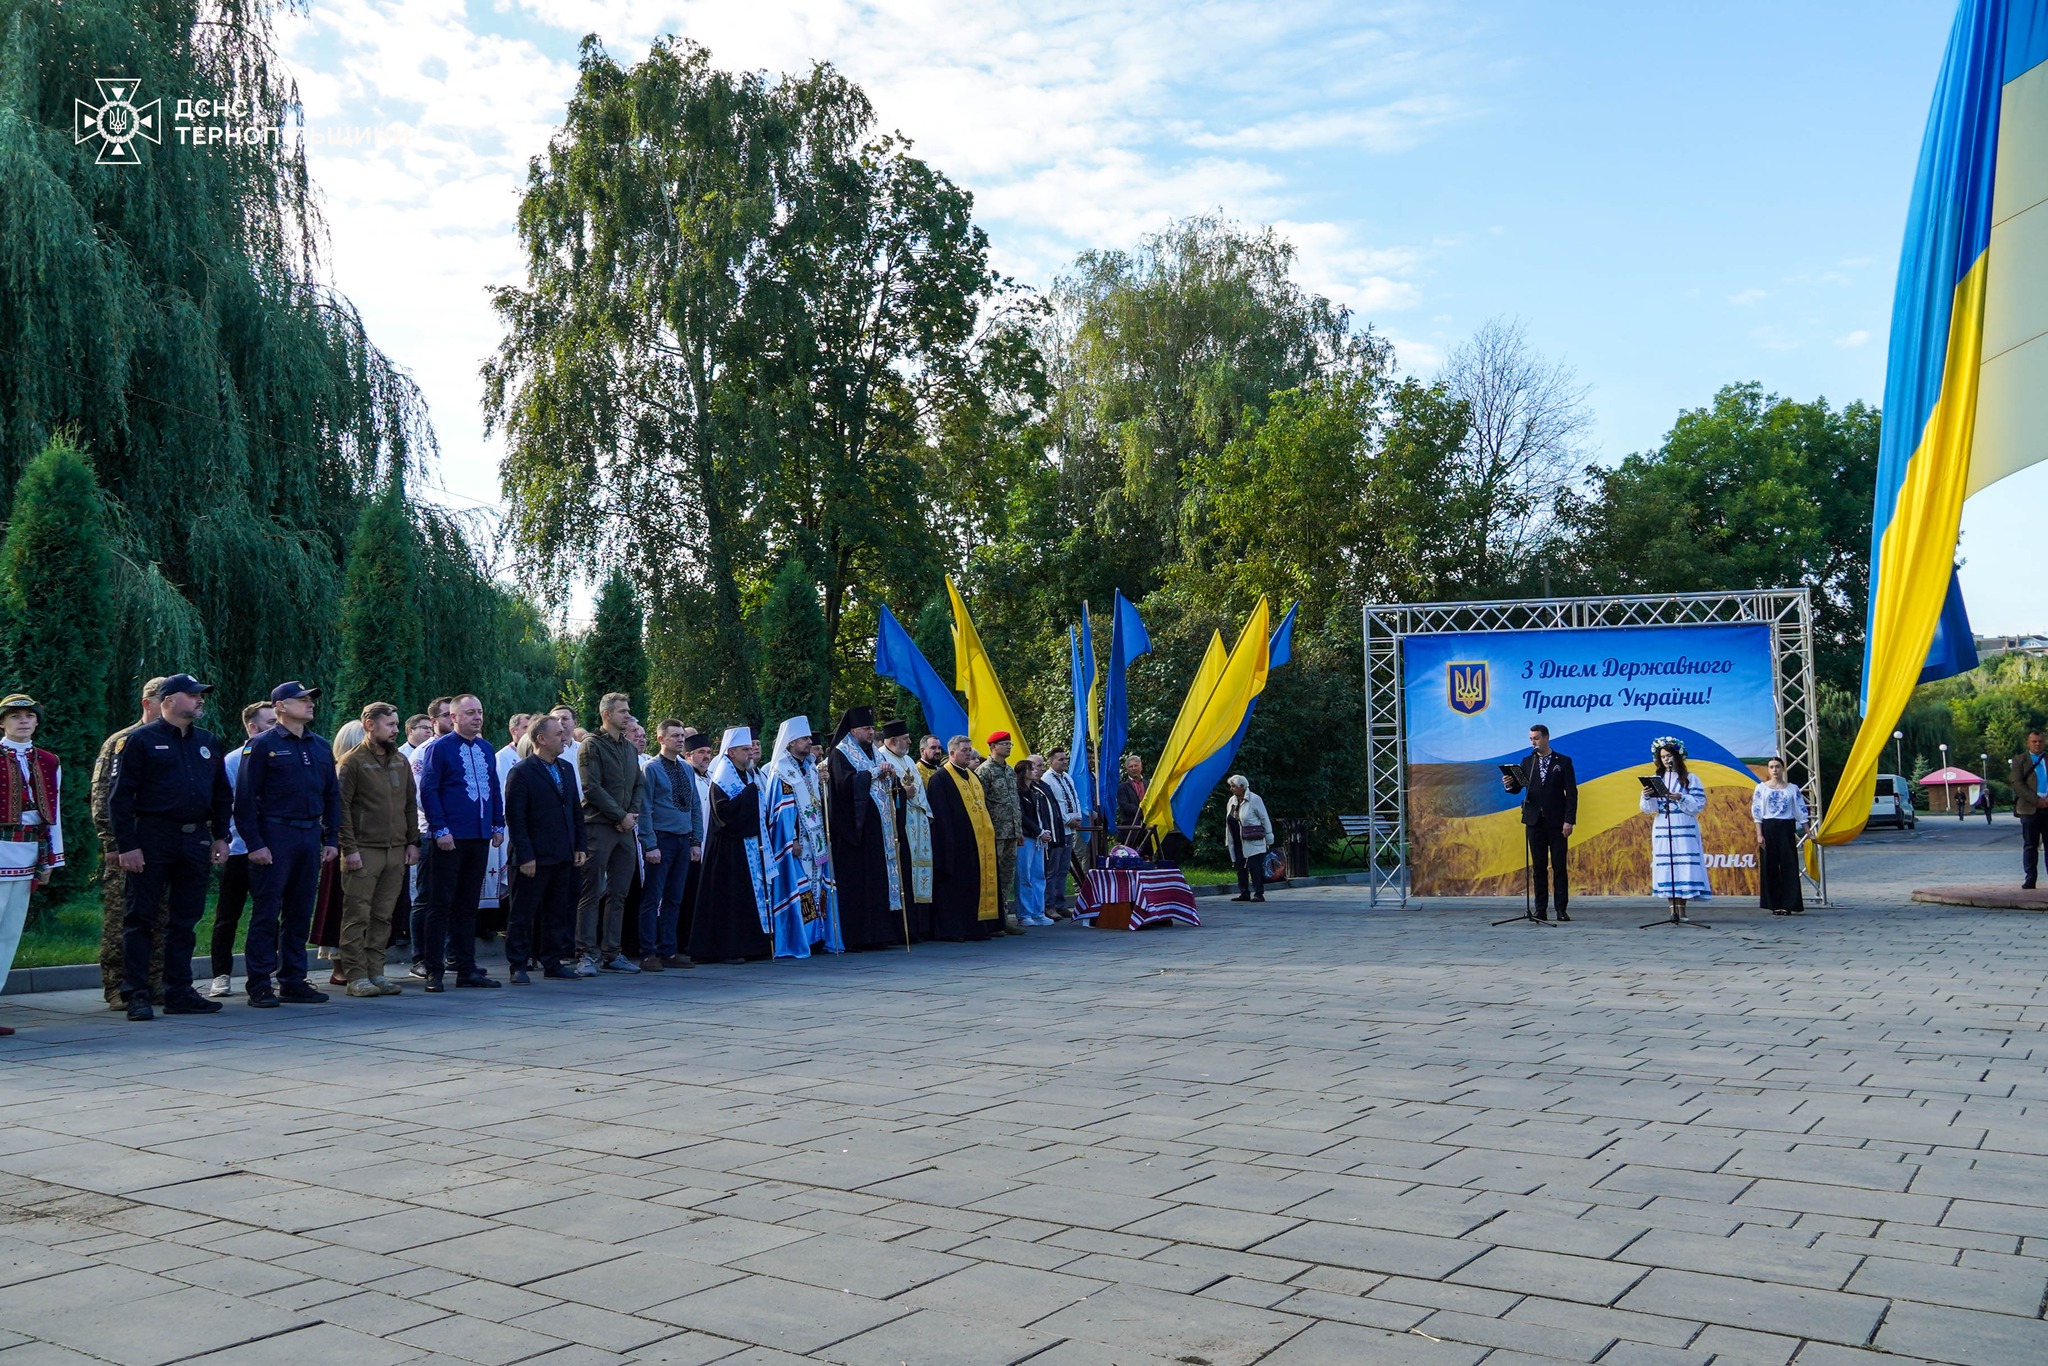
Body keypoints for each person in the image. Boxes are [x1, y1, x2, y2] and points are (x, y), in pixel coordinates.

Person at [107, 674, 233, 1021]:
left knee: (185, 918)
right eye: (192, 695)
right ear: (168, 701)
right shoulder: (139, 741)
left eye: (200, 695)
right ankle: (137, 993)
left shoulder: (207, 741)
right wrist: (127, 846)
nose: (199, 700)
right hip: (152, 836)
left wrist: (221, 835)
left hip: (194, 838)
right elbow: (119, 798)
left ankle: (178, 990)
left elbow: (222, 793)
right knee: (140, 917)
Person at [234, 681, 341, 1007]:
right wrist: (255, 843)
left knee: (299, 911)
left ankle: (293, 979)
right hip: (275, 835)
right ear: (280, 706)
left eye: (311, 699)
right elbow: (245, 799)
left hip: (308, 836)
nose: (310, 704)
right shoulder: (262, 745)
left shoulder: (319, 746)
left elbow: (332, 795)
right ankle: (259, 983)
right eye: (302, 699)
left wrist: (331, 837)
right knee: (267, 912)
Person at [414, 693, 506, 991]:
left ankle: (466, 968)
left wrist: (497, 822)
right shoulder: (439, 748)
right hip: (449, 838)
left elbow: (493, 786)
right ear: (453, 717)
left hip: (478, 835)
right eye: (469, 712)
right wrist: (440, 829)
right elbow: (429, 789)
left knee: (468, 905)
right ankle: (434, 969)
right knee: (440, 904)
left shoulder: (485, 748)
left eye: (479, 711)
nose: (477, 717)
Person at [92, 676, 167, 1009]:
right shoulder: (123, 741)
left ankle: (154, 982)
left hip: (163, 845)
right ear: (148, 703)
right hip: (128, 843)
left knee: (162, 915)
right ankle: (116, 985)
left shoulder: (177, 739)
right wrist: (112, 843)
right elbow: (103, 796)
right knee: (122, 915)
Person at [335, 703, 418, 996]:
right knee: (357, 913)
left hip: (395, 849)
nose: (396, 730)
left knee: (383, 915)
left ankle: (376, 971)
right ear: (370, 725)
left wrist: (412, 842)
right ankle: (355, 975)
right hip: (364, 849)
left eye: (397, 724)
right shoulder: (352, 761)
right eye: (390, 725)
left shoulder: (400, 761)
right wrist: (349, 848)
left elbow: (410, 803)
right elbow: (341, 808)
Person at [504, 713, 587, 981]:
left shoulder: (565, 768)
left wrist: (579, 846)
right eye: (558, 734)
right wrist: (525, 855)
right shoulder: (522, 772)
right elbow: (515, 818)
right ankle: (518, 964)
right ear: (541, 739)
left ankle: (552, 961)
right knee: (523, 912)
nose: (564, 738)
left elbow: (574, 809)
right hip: (533, 857)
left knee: (556, 910)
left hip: (562, 853)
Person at [0, 694, 66, 1027]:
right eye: (15, 716)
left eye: (29, 716)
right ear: (3, 722)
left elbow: (53, 814)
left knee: (9, 933)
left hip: (28, 853)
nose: (23, 721)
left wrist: (52, 859)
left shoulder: (48, 761)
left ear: (37, 721)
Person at [688, 727, 774, 963]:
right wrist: (749, 795)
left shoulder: (748, 774)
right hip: (727, 850)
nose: (750, 753)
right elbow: (725, 815)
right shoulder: (722, 778)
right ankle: (728, 948)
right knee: (730, 898)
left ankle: (753, 945)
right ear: (731, 752)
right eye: (745, 749)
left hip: (748, 846)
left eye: (750, 749)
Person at [208, 700, 274, 997]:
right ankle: (221, 973)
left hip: (272, 848)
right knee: (227, 914)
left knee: (269, 913)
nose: (277, 726)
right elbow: (227, 803)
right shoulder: (234, 760)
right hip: (239, 848)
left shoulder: (281, 755)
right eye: (271, 722)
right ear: (252, 726)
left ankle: (264, 971)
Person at [763, 716, 844, 958]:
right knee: (800, 890)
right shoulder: (782, 772)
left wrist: (823, 787)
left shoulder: (809, 767)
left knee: (817, 886)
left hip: (816, 841)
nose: (810, 742)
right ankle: (801, 939)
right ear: (790, 743)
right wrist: (792, 840)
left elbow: (815, 805)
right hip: (796, 844)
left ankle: (818, 936)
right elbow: (782, 813)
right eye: (805, 739)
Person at [825, 705, 905, 950]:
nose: (871, 732)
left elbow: (888, 786)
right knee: (860, 883)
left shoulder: (874, 753)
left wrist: (892, 776)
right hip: (854, 833)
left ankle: (881, 933)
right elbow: (844, 786)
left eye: (872, 728)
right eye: (866, 728)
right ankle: (860, 936)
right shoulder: (840, 753)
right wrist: (873, 773)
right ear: (852, 730)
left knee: (878, 880)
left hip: (878, 831)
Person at [575, 692, 643, 975]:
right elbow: (592, 788)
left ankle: (612, 952)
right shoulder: (591, 746)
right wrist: (620, 816)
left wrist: (631, 815)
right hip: (599, 827)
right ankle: (586, 953)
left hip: (624, 830)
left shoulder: (628, 748)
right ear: (607, 714)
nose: (627, 715)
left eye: (628, 711)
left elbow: (639, 783)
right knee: (591, 892)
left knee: (619, 893)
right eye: (622, 711)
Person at [636, 719, 698, 970]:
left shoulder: (687, 769)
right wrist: (650, 844)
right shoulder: (651, 769)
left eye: (682, 735)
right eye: (674, 736)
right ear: (661, 739)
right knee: (653, 897)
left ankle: (669, 951)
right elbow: (645, 808)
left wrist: (696, 840)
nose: (680, 740)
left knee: (675, 897)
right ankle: (648, 952)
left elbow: (695, 807)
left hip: (683, 839)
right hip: (661, 839)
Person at [1501, 723, 1579, 922]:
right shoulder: (1528, 762)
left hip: (1556, 821)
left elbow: (1571, 793)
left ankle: (1561, 909)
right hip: (1534, 821)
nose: (1533, 742)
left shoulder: (1563, 761)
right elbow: (1519, 787)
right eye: (1530, 739)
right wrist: (1510, 785)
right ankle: (1540, 909)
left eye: (1536, 738)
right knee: (1539, 867)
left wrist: (1569, 820)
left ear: (1546, 738)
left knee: (1559, 866)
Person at [927, 735, 999, 942]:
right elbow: (940, 817)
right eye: (965, 750)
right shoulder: (940, 779)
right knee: (955, 887)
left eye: (970, 750)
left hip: (978, 843)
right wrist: (948, 844)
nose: (969, 753)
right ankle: (953, 929)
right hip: (955, 844)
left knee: (974, 884)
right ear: (951, 753)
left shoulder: (973, 777)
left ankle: (975, 927)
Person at [1641, 737, 1711, 921]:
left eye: (1669, 755)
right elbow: (1648, 809)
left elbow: (1698, 805)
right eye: (1662, 756)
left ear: (1677, 756)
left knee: (1683, 866)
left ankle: (1683, 912)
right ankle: (1672, 912)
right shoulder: (1657, 779)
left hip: (1684, 826)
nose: (1666, 759)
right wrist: (1647, 797)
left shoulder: (1690, 778)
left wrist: (1681, 797)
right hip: (1664, 826)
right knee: (1668, 867)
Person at [879, 720, 934, 940]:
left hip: (918, 821)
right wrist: (902, 792)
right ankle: (904, 928)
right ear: (892, 741)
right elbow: (884, 792)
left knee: (920, 871)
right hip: (898, 825)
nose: (910, 741)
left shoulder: (909, 759)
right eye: (905, 738)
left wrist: (927, 814)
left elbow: (918, 788)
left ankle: (921, 925)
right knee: (904, 872)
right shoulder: (881, 758)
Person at [975, 732, 1025, 935]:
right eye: (1004, 744)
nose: (1009, 747)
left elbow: (1014, 802)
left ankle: (1003, 918)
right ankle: (991, 920)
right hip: (994, 831)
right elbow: (981, 802)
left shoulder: (1010, 771)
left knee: (1006, 877)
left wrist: (1018, 830)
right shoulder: (984, 771)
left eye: (1009, 744)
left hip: (1011, 831)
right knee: (991, 876)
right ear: (993, 746)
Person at [1752, 757, 1811, 916]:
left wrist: (1808, 831)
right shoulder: (1761, 788)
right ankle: (1773, 904)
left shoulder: (1792, 789)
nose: (1774, 770)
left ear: (1783, 769)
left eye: (1777, 767)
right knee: (1769, 866)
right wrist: (1759, 834)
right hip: (1768, 827)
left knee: (1789, 865)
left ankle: (1789, 903)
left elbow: (1800, 810)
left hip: (1786, 827)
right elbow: (1757, 812)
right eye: (1771, 767)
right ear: (1768, 770)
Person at [675, 728, 713, 951]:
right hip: (690, 847)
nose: (706, 756)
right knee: (687, 896)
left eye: (708, 751)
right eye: (700, 752)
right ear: (688, 755)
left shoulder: (710, 778)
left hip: (707, 846)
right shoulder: (685, 776)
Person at [1015, 756, 1058, 927]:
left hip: (1039, 838)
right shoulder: (1019, 793)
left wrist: (1044, 831)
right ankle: (1024, 913)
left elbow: (1042, 814)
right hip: (1027, 837)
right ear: (1024, 772)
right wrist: (1037, 830)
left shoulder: (1035, 791)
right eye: (1031, 769)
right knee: (1024, 876)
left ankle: (1038, 911)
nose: (1036, 771)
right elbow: (1022, 816)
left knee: (1039, 875)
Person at [1041, 747, 1083, 914]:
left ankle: (1060, 903)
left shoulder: (1066, 777)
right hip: (1058, 829)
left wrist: (1078, 817)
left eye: (1065, 759)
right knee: (1053, 869)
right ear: (1051, 762)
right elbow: (1054, 804)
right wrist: (1067, 820)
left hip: (1070, 830)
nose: (1065, 762)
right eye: (1060, 759)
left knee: (1064, 868)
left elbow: (1074, 798)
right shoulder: (1047, 779)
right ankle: (1049, 905)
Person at [1224, 775, 1273, 903]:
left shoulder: (1255, 799)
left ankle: (1259, 893)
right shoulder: (1231, 801)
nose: (1231, 789)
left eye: (1234, 786)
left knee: (1254, 866)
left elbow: (1264, 818)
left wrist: (1269, 837)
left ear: (1242, 787)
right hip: (1237, 839)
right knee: (1240, 866)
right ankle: (1244, 892)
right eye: (1231, 786)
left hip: (1252, 839)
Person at [2011, 731, 2048, 889]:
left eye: (2040, 741)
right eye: (2034, 741)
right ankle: (2030, 878)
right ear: (2028, 743)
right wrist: (2036, 801)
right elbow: (2017, 784)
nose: (2037, 744)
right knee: (2030, 845)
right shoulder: (2020, 760)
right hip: (2029, 809)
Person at [1116, 754, 1148, 849]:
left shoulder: (1149, 784)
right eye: (1131, 766)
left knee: (1148, 859)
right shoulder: (1122, 787)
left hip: (1148, 830)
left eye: (1136, 765)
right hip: (1129, 831)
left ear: (1141, 767)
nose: (1134, 768)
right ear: (1127, 769)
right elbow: (1124, 805)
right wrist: (1143, 812)